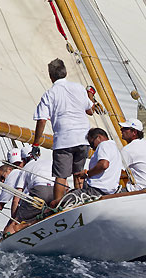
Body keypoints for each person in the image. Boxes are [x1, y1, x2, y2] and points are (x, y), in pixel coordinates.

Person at [32, 58, 94, 207]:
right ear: (65, 72)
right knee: (78, 173)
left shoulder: (49, 94)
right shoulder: (79, 88)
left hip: (64, 141)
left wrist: (36, 143)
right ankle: (82, 202)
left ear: (51, 76)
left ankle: (57, 206)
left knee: (61, 176)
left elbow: (42, 120)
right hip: (83, 138)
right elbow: (90, 110)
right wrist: (90, 94)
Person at [57, 128, 122, 205]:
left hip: (95, 191)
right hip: (107, 192)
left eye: (91, 143)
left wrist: (87, 173)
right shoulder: (114, 147)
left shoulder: (104, 144)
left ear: (99, 137)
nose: (92, 147)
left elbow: (103, 165)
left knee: (58, 202)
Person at [119, 118, 146, 191]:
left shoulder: (128, 149)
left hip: (137, 190)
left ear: (134, 132)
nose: (121, 130)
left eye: (125, 128)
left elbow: (115, 172)